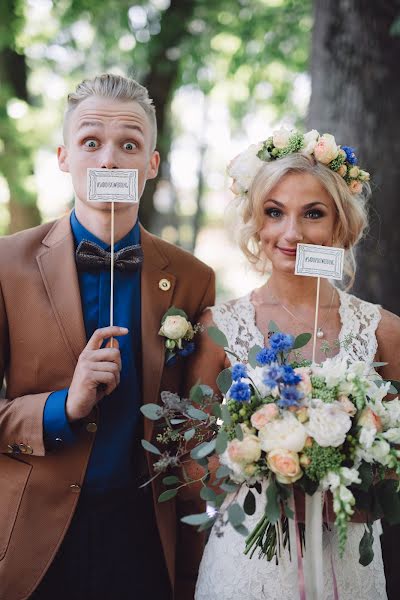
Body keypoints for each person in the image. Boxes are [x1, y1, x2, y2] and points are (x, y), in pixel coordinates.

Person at [0, 73, 215, 600]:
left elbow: (196, 423)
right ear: (63, 157)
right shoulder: (6, 263)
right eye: (91, 142)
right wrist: (62, 407)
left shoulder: (193, 278)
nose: (110, 159)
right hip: (32, 538)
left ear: (152, 164)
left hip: (147, 540)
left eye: (129, 144)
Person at [189, 130, 400, 600]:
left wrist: (359, 482)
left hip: (348, 558)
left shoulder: (383, 331)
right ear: (255, 223)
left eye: (313, 214)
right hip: (248, 560)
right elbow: (191, 463)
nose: (291, 233)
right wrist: (261, 464)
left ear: (341, 226)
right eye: (274, 212)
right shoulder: (217, 329)